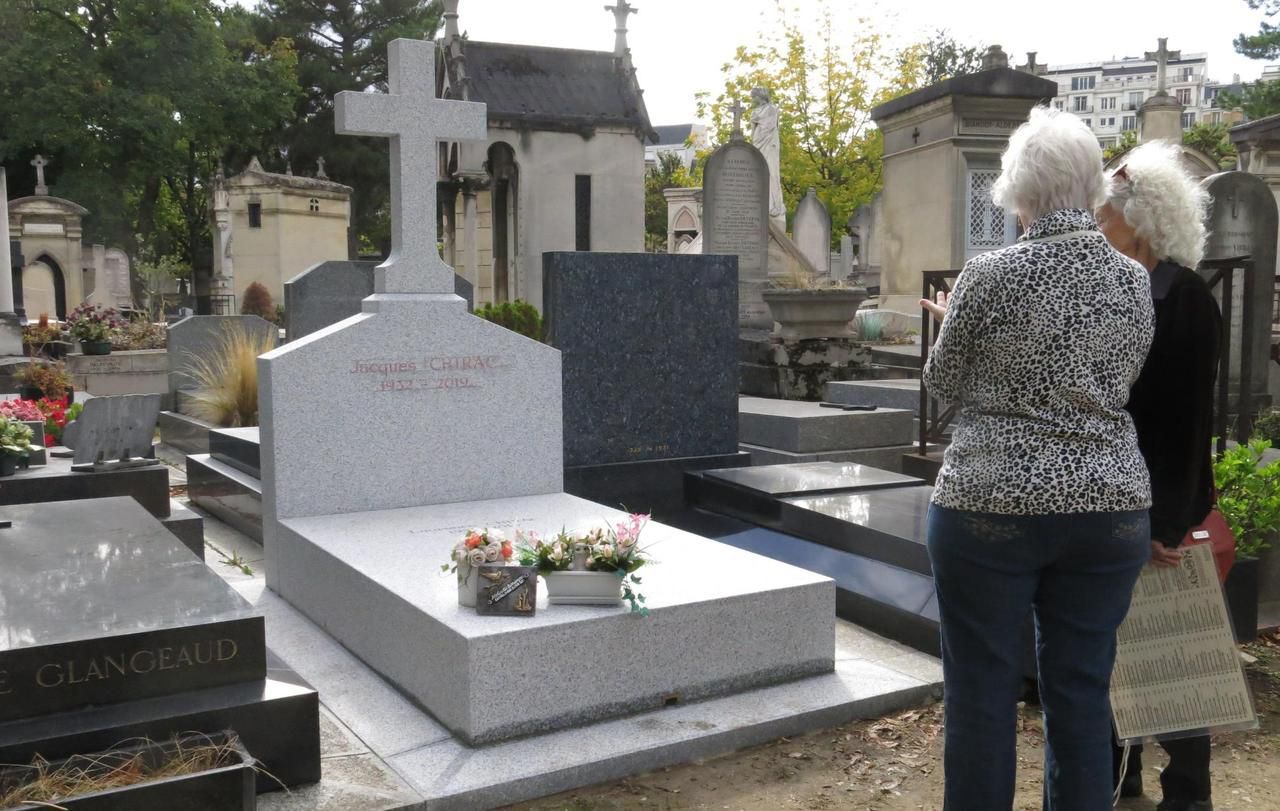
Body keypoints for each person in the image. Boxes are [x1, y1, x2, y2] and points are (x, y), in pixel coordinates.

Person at [919, 106, 1155, 810]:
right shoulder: (1135, 280)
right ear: (1092, 189)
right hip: (1109, 505)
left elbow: (942, 384)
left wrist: (957, 321)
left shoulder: (989, 276)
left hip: (990, 503)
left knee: (982, 692)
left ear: (1017, 192)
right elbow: (1113, 379)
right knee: (1082, 693)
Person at [1098, 142, 1221, 811]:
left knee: (1176, 656)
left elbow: (1186, 420)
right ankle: (1126, 778)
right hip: (1117, 495)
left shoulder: (1186, 297)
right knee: (1121, 647)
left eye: (1108, 214)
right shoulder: (1127, 287)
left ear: (1141, 220)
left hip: (1159, 502)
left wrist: (1166, 521)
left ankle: (1188, 794)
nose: (1099, 224)